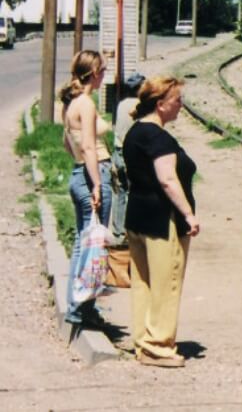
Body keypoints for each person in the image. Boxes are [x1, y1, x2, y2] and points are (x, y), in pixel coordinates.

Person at [124, 75, 199, 368]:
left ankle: (143, 340)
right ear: (160, 104)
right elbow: (167, 180)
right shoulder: (158, 138)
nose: (181, 105)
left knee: (144, 282)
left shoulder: (135, 133)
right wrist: (188, 215)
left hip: (137, 217)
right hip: (161, 221)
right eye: (177, 100)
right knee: (167, 283)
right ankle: (158, 346)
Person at [60, 50, 113, 326]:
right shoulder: (87, 103)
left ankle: (78, 305)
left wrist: (81, 166)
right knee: (94, 242)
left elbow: (66, 142)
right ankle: (82, 308)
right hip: (94, 173)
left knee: (84, 242)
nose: (105, 75)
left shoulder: (70, 104)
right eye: (103, 70)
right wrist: (96, 183)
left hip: (78, 173)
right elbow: (90, 146)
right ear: (94, 73)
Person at [110, 72, 145, 246]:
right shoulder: (141, 105)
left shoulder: (121, 104)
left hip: (117, 151)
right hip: (131, 153)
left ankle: (118, 231)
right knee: (134, 191)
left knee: (120, 191)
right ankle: (132, 230)